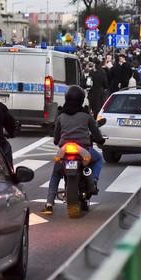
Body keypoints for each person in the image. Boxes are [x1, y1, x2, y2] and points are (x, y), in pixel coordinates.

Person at [41, 85, 105, 215]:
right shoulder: (86, 116)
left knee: (56, 174)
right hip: (84, 150)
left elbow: (56, 136)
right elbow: (96, 132)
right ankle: (94, 181)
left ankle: (49, 204)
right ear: (82, 99)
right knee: (98, 159)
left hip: (65, 151)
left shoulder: (61, 116)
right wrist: (100, 140)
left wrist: (56, 141)